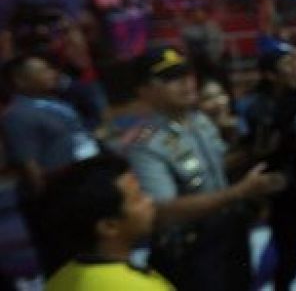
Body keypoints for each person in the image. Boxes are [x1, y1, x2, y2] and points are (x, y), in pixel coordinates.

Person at [126, 47, 285, 291]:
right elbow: (163, 210)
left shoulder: (197, 120)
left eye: (186, 74)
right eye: (170, 78)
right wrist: (239, 192)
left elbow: (214, 165)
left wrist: (254, 153)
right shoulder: (146, 145)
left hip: (228, 232)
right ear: (144, 91)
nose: (186, 83)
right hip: (190, 249)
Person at [1, 55, 101, 276]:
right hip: (58, 199)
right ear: (20, 80)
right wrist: (52, 207)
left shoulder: (55, 102)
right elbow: (30, 167)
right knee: (67, 262)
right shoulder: (18, 116)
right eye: (43, 70)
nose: (52, 74)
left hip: (82, 189)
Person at [39, 153, 170, 291]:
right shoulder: (134, 287)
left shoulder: (60, 278)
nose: (149, 201)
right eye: (138, 198)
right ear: (109, 226)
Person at [245, 43, 296, 290]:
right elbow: (259, 152)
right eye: (288, 65)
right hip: (283, 194)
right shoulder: (260, 108)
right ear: (271, 75)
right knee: (288, 257)